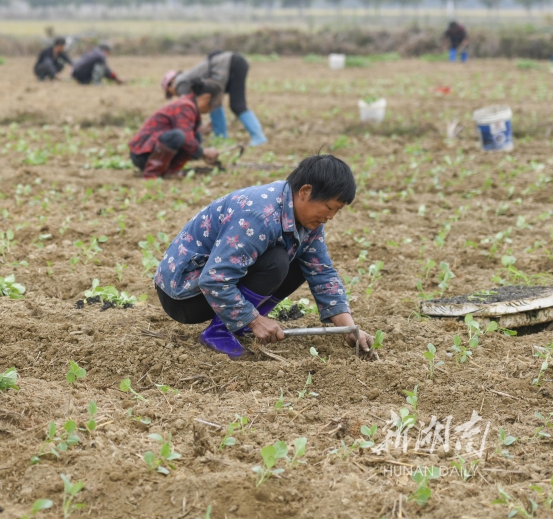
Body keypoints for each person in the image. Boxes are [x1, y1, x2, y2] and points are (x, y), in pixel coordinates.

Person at [154, 154, 376, 359]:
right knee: (278, 260)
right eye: (329, 207)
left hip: (212, 291)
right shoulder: (259, 214)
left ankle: (236, 324)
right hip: (183, 295)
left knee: (301, 262)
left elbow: (321, 270)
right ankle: (219, 332)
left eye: (337, 211)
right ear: (305, 192)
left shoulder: (308, 221)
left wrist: (349, 328)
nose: (330, 217)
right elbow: (214, 279)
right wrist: (255, 320)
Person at [161, 51, 267, 147]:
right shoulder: (187, 79)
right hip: (235, 62)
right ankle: (220, 137)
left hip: (231, 64)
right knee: (215, 103)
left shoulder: (180, 82)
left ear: (171, 83)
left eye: (169, 92)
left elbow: (186, 108)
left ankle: (258, 137)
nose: (174, 94)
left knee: (237, 105)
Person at [129, 78, 222, 179]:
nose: (214, 107)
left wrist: (200, 151)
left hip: (151, 151)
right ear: (206, 98)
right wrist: (203, 152)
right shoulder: (185, 106)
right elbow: (186, 137)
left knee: (196, 138)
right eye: (215, 103)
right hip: (142, 154)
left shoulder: (189, 105)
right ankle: (152, 173)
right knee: (179, 136)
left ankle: (169, 170)